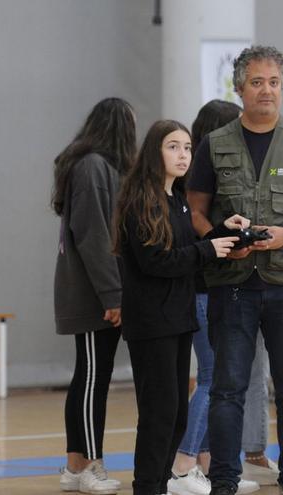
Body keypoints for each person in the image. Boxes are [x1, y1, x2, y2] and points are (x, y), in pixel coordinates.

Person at [186, 45, 283, 495]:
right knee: (228, 387)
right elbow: (195, 211)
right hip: (231, 284)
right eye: (257, 82)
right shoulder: (215, 144)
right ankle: (225, 480)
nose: (266, 90)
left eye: (274, 82)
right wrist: (219, 238)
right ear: (239, 88)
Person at [113, 120, 241, 495]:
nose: (183, 154)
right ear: (155, 152)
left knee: (176, 415)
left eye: (187, 147)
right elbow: (157, 261)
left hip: (177, 318)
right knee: (158, 415)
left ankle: (158, 485)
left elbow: (187, 250)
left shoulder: (177, 199)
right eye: (173, 147)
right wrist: (207, 249)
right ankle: (147, 487)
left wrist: (221, 234)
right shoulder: (142, 200)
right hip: (152, 322)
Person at [168, 100, 263, 495]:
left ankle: (206, 464)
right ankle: (183, 463)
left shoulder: (198, 180)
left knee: (213, 377)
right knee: (213, 378)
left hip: (208, 289)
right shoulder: (199, 182)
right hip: (206, 290)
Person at [53, 97, 136, 495]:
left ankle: (73, 467)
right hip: (92, 296)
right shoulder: (92, 168)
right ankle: (90, 465)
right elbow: (93, 238)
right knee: (91, 380)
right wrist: (113, 295)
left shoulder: (98, 168)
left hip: (99, 293)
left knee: (91, 376)